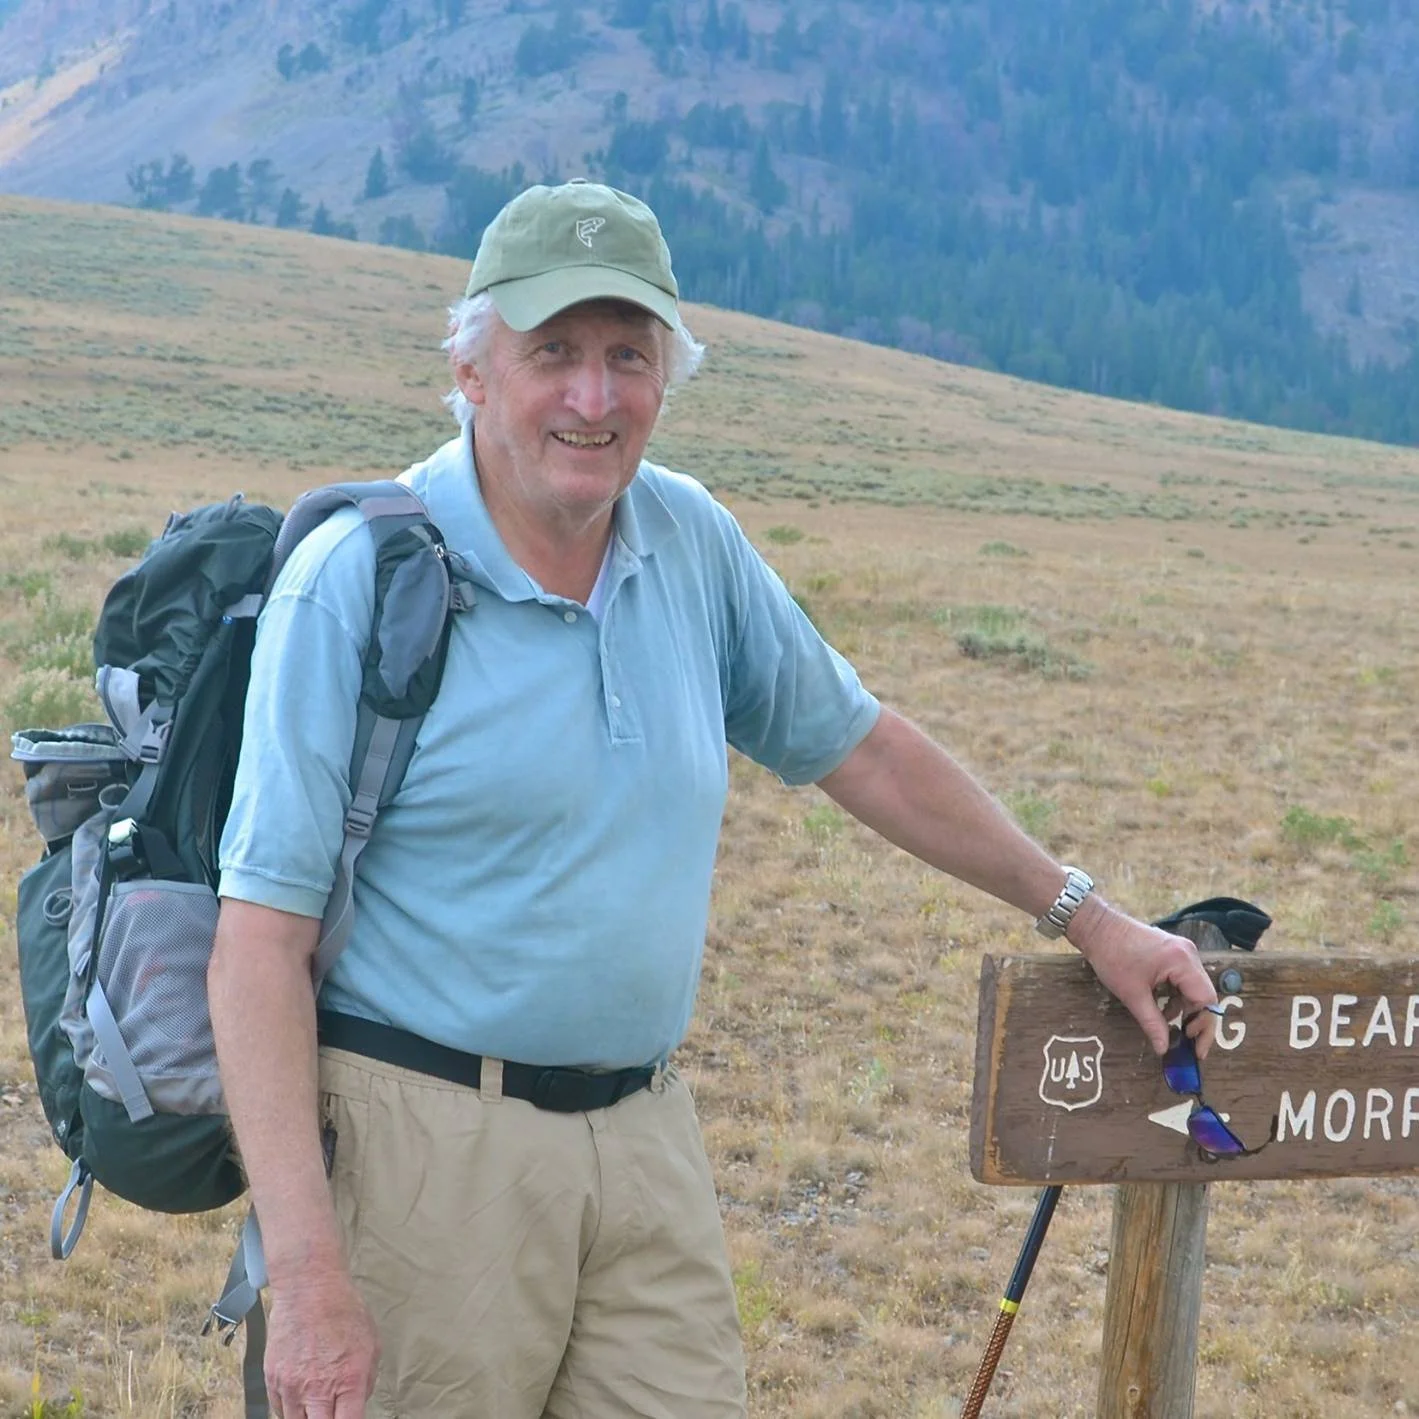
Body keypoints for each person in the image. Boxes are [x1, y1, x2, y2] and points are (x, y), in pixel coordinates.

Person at [207, 179, 1219, 1419]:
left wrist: (1089, 917)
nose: (593, 398)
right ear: (472, 371)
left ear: (666, 379)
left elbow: (862, 749)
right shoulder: (356, 582)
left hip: (643, 1139)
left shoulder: (687, 541)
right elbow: (259, 945)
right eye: (554, 354)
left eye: (627, 357)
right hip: (419, 1155)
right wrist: (307, 1277)